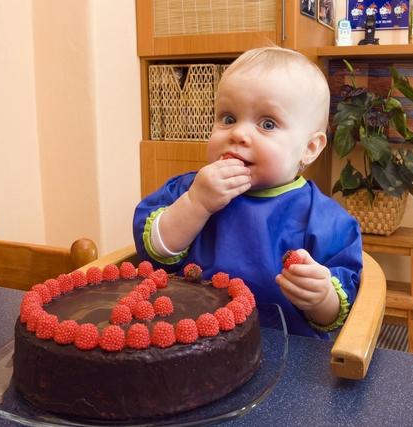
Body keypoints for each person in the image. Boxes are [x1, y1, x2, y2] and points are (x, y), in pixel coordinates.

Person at [133, 47, 362, 338]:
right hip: (189, 340)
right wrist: (196, 204)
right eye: (228, 118)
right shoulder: (189, 190)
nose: (238, 134)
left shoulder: (325, 220)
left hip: (285, 350)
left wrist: (321, 298)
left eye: (267, 124)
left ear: (309, 148)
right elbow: (153, 249)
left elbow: (338, 313)